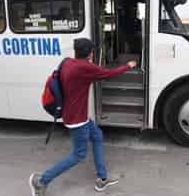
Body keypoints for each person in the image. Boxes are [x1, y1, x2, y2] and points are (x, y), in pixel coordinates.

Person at [29, 38, 137, 196]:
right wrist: (128, 66)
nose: (93, 54)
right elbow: (109, 73)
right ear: (90, 53)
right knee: (78, 155)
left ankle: (102, 178)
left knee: (97, 136)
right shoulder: (85, 67)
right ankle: (41, 181)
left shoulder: (68, 63)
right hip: (77, 120)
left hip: (76, 116)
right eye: (92, 51)